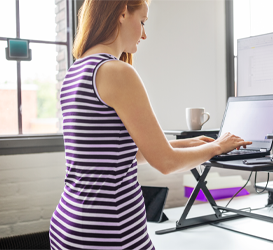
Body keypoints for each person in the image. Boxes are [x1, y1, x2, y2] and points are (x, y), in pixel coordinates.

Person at [48, 1, 251, 249]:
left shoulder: (76, 71)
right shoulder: (116, 71)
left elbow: (120, 153)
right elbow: (165, 163)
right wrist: (217, 147)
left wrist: (186, 143)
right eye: (142, 21)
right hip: (111, 230)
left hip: (70, 225)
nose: (144, 34)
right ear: (122, 12)